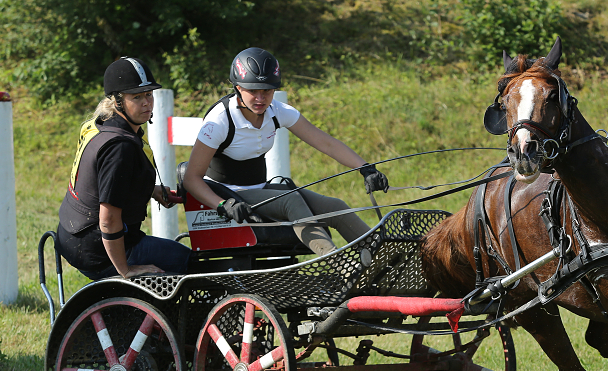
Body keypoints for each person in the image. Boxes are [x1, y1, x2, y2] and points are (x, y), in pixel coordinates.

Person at [182, 47, 389, 257]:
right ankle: (339, 263)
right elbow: (191, 178)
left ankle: (385, 259)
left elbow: (326, 143)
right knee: (290, 201)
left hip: (260, 189)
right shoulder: (219, 121)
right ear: (238, 88)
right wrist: (223, 204)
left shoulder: (277, 111)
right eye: (253, 91)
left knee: (336, 207)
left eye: (267, 91)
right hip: (229, 195)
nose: (261, 98)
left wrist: (365, 168)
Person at [56, 57, 191, 280]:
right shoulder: (120, 148)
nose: (147, 103)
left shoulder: (102, 125)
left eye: (149, 94)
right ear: (117, 101)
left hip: (72, 235)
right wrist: (125, 270)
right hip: (98, 250)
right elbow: (108, 219)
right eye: (136, 97)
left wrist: (151, 190)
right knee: (188, 261)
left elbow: (104, 183)